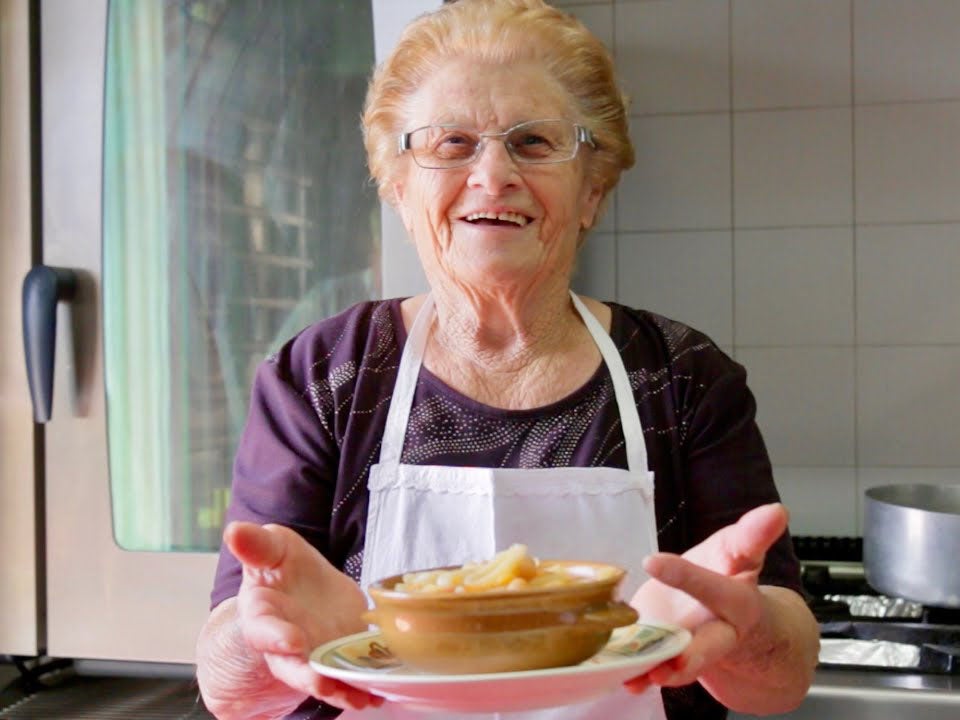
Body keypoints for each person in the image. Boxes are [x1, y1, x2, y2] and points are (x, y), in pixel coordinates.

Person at [194, 1, 820, 718]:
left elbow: (781, 681)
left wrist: (746, 627)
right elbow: (230, 691)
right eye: (452, 143)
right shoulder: (326, 376)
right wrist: (261, 635)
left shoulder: (682, 379)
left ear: (592, 191)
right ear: (398, 187)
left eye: (533, 142)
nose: (493, 175)